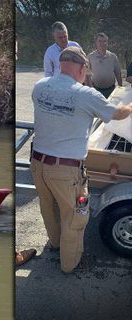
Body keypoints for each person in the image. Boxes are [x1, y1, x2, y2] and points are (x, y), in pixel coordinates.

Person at [31, 46, 132, 273]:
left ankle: (56, 245)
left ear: (60, 63)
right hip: (65, 171)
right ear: (80, 68)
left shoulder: (39, 87)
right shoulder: (85, 95)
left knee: (49, 208)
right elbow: (117, 114)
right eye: (85, 70)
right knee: (74, 218)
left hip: (38, 164)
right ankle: (70, 265)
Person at [86, 32, 122, 98]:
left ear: (107, 43)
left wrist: (120, 89)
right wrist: (89, 89)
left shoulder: (113, 56)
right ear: (96, 43)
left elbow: (118, 74)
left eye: (104, 41)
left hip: (111, 90)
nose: (102, 43)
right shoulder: (90, 57)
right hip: (96, 91)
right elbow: (87, 75)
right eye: (100, 41)